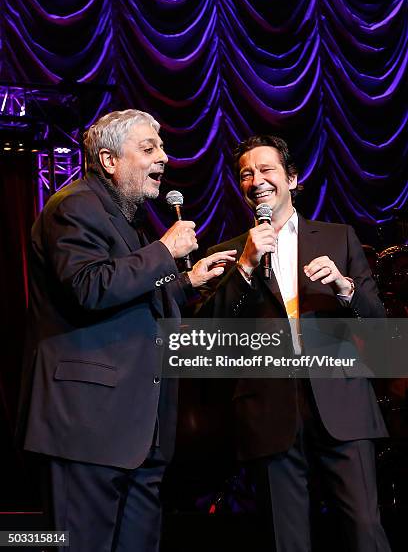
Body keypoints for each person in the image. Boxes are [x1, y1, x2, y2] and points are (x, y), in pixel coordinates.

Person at [17, 109, 235, 552]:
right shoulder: (75, 205)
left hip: (138, 433)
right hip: (89, 428)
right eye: (149, 149)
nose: (165, 158)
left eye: (163, 148)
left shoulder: (125, 219)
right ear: (109, 159)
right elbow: (88, 287)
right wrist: (165, 251)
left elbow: (127, 293)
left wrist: (186, 281)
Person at [199, 135, 391, 551]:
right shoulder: (230, 253)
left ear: (292, 177)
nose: (257, 180)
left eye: (266, 170)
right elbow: (208, 336)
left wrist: (345, 289)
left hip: (342, 403)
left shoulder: (338, 238)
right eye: (246, 174)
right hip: (269, 409)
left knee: (364, 530)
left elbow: (381, 330)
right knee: (285, 540)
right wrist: (246, 267)